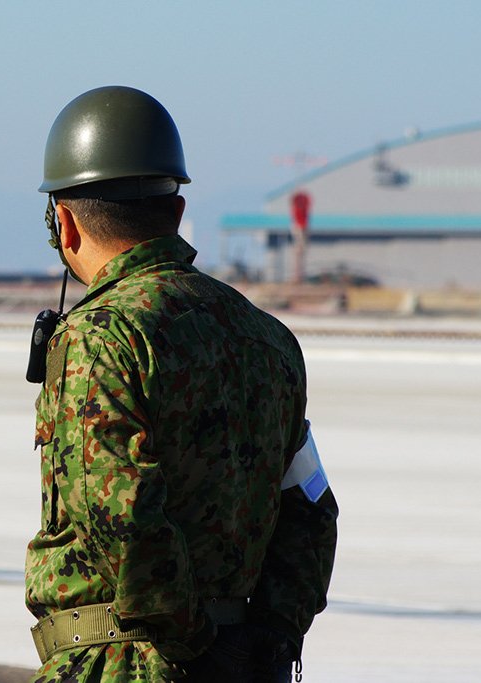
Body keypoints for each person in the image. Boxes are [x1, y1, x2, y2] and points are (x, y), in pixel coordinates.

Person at [24, 86, 338, 682]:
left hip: (125, 664)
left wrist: (189, 643)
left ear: (63, 224)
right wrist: (263, 644)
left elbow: (122, 517)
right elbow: (311, 507)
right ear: (175, 210)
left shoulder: (102, 337)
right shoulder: (268, 338)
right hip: (244, 662)